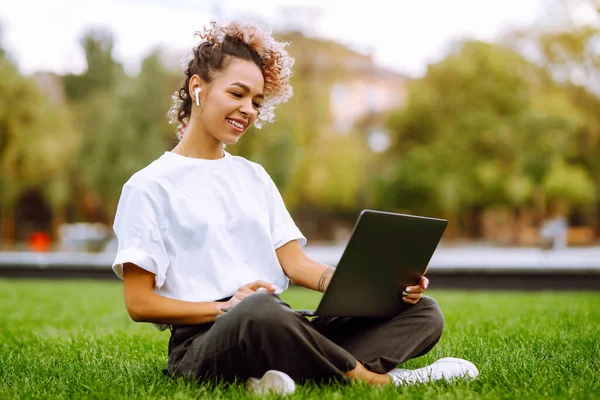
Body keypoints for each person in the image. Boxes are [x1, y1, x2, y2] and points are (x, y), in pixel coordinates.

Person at [111, 20, 479, 396]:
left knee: (423, 312)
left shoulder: (252, 176)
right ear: (197, 89)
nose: (248, 110)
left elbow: (296, 265)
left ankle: (276, 375)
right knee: (259, 312)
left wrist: (375, 289)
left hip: (278, 320)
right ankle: (377, 380)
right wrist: (225, 308)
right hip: (208, 340)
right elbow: (139, 303)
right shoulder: (149, 186)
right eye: (237, 94)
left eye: (256, 101)